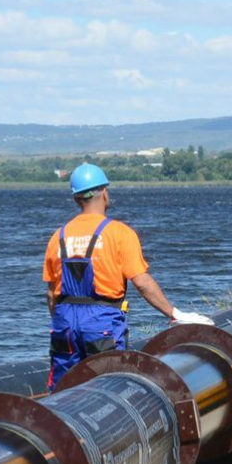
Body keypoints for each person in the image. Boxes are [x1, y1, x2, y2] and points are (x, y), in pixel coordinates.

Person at [44, 163, 210, 389]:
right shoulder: (119, 234)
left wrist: (64, 321)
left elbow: (51, 294)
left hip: (64, 321)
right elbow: (142, 283)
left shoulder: (58, 237)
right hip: (101, 320)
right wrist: (173, 313)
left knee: (63, 387)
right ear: (104, 192)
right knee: (108, 389)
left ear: (76, 199)